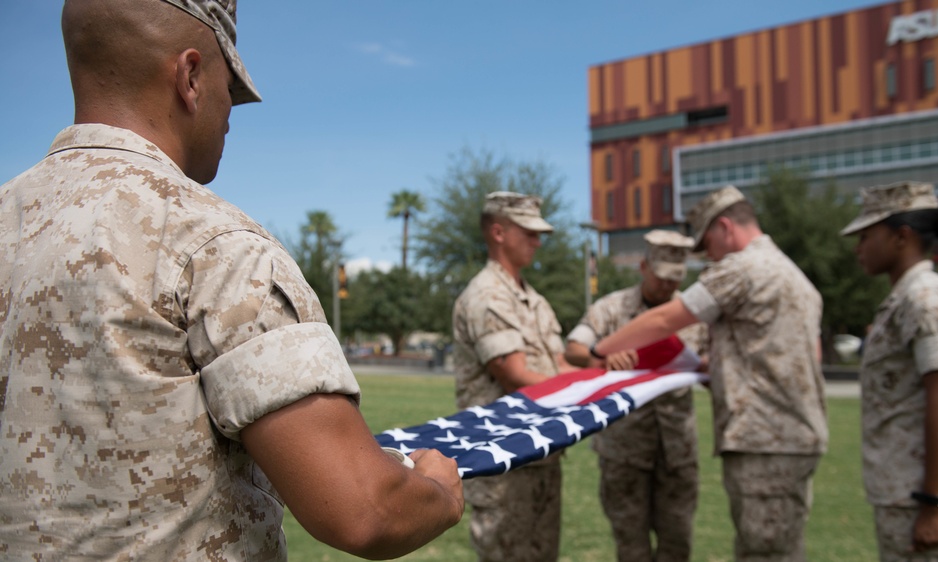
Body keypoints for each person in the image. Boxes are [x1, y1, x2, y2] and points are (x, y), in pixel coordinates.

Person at [0, 1, 463, 560]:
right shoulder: (213, 244)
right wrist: (438, 489)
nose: (228, 114)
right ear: (190, 77)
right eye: (229, 88)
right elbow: (365, 508)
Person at [592, 185, 828, 561]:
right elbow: (807, 355)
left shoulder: (743, 267)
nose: (708, 258)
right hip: (792, 436)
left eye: (707, 245)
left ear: (725, 227)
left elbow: (667, 319)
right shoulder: (793, 275)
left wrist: (600, 350)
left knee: (763, 552)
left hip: (762, 440)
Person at [840, 181, 938, 561]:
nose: (858, 247)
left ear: (902, 236)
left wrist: (933, 503)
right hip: (909, 490)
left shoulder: (925, 297)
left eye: (866, 235)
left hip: (931, 494)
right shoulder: (905, 299)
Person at [564, 229, 707, 562]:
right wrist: (601, 358)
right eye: (661, 277)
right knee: (631, 548)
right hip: (624, 452)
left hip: (677, 452)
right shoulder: (612, 308)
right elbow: (573, 349)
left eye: (675, 278)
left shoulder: (694, 314)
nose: (668, 286)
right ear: (643, 267)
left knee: (678, 545)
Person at [452, 191, 573, 562]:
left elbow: (560, 366)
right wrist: (585, 388)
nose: (538, 242)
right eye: (530, 232)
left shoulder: (535, 301)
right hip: (505, 464)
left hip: (542, 455)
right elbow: (515, 376)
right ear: (499, 232)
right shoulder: (487, 296)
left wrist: (609, 377)